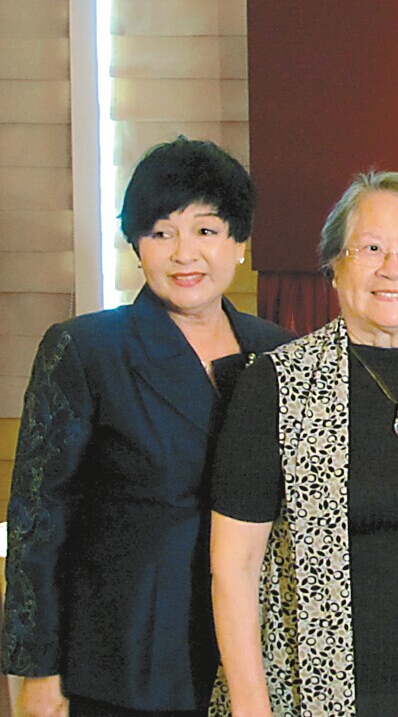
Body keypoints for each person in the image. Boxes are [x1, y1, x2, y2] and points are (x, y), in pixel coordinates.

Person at [1, 137, 293, 717]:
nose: (185, 254)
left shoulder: (279, 352)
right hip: (126, 663)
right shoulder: (87, 348)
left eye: (206, 230)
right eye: (161, 233)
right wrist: (38, 671)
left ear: (239, 243)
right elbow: (39, 523)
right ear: (137, 247)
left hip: (253, 655)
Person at [209, 171, 398, 716]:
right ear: (334, 267)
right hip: (313, 689)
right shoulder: (276, 383)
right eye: (370, 248)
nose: (393, 268)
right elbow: (234, 567)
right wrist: (250, 705)